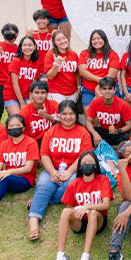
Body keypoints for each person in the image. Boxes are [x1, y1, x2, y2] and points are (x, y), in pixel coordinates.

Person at [28, 100, 93, 241]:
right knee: (44, 184)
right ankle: (33, 223)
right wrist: (52, 172)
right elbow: (44, 154)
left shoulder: (83, 133)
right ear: (58, 115)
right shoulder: (51, 132)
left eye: (71, 113)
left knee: (70, 186)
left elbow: (84, 156)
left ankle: (41, 199)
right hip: (53, 168)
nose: (68, 117)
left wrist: (69, 172)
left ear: (76, 115)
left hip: (74, 170)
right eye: (64, 114)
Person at [47, 151, 113, 260]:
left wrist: (87, 206)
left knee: (93, 213)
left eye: (90, 162)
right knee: (66, 212)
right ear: (79, 166)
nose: (87, 165)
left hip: (98, 220)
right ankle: (60, 256)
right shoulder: (74, 183)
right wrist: (79, 211)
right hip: (81, 222)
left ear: (95, 165)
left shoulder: (103, 180)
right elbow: (69, 207)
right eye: (84, 163)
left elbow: (106, 205)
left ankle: (85, 257)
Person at [85, 76, 131, 147]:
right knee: (89, 132)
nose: (107, 91)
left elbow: (130, 124)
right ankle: (95, 153)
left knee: (128, 136)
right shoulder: (95, 102)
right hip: (104, 132)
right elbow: (88, 121)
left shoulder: (122, 104)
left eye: (110, 89)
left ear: (114, 90)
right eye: (104, 89)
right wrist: (95, 134)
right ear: (100, 90)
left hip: (118, 133)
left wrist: (118, 131)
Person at [78, 29, 120, 108]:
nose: (96, 41)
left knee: (110, 115)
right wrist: (100, 80)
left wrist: (100, 86)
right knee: (91, 118)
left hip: (109, 89)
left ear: (104, 39)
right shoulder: (85, 53)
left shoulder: (112, 54)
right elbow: (82, 71)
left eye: (99, 38)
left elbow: (112, 74)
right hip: (88, 90)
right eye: (93, 39)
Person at [4, 35, 41, 116]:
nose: (27, 47)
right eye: (24, 45)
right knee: (18, 118)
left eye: (30, 45)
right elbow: (15, 83)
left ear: (35, 47)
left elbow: (33, 85)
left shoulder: (36, 63)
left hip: (27, 96)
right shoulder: (16, 61)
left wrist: (30, 100)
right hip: (11, 96)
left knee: (29, 117)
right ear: (20, 47)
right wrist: (22, 103)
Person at [0, 23, 19, 122]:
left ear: (16, 34)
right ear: (3, 34)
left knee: (12, 111)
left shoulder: (19, 49)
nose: (9, 34)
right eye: (6, 32)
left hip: (12, 84)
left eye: (11, 32)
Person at [44, 29, 80, 103]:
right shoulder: (50, 54)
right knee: (58, 114)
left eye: (64, 38)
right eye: (59, 40)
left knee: (70, 114)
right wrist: (56, 64)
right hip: (56, 93)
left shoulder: (73, 54)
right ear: (54, 42)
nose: (62, 41)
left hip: (72, 93)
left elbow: (76, 73)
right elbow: (50, 76)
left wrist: (78, 87)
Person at [18, 80, 60, 145]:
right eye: (36, 92)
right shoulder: (24, 112)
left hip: (53, 140)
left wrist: (47, 116)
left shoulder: (54, 105)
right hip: (34, 143)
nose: (40, 95)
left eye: (43, 93)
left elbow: (63, 123)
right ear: (31, 94)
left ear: (47, 94)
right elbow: (22, 135)